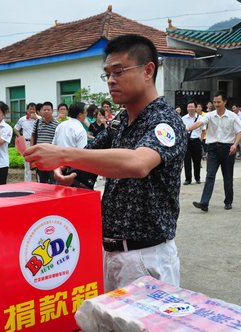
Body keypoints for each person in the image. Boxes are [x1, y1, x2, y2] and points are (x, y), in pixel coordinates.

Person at [25, 34, 186, 291]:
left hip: (145, 257)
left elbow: (138, 163)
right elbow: (91, 152)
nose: (111, 80)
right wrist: (66, 169)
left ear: (148, 71)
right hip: (109, 251)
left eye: (119, 71)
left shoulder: (164, 121)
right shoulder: (121, 121)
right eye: (107, 73)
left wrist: (64, 154)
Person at [189, 91, 241, 212]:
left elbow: (240, 132)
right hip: (213, 149)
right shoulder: (210, 115)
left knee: (228, 177)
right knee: (210, 175)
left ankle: (228, 201)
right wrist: (188, 128)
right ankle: (204, 203)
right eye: (214, 102)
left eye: (219, 102)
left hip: (228, 149)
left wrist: (235, 145)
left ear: (225, 102)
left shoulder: (232, 116)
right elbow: (200, 123)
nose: (216, 104)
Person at [30, 101, 59, 184]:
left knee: (52, 178)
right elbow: (33, 136)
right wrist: (31, 150)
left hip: (51, 155)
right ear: (41, 111)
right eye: (44, 109)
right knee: (41, 179)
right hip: (39, 155)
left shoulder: (57, 124)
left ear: (52, 111)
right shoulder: (37, 122)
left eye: (48, 110)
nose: (46, 111)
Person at [181, 101, 205, 185]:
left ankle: (197, 178)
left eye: (191, 106)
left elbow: (204, 130)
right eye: (188, 107)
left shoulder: (200, 118)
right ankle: (188, 179)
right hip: (187, 141)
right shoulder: (183, 118)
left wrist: (201, 139)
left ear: (195, 108)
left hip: (196, 141)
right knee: (187, 161)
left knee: (197, 161)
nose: (190, 108)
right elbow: (181, 130)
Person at [14, 102, 38, 182]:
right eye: (30, 109)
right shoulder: (22, 119)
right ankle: (27, 182)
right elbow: (15, 128)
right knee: (27, 164)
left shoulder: (40, 118)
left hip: (37, 143)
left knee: (39, 163)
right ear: (27, 110)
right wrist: (20, 136)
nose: (32, 111)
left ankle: (40, 181)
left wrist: (36, 119)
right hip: (26, 143)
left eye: (33, 109)